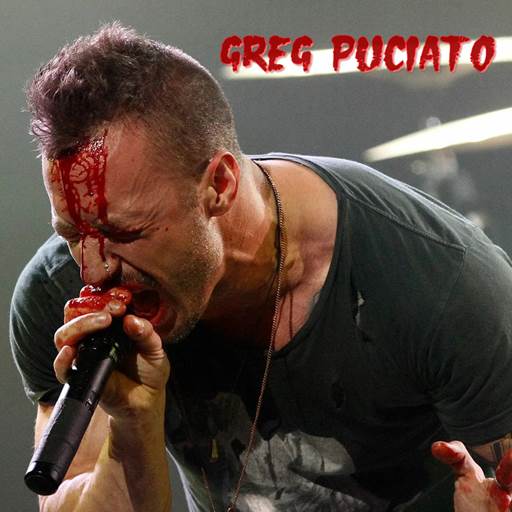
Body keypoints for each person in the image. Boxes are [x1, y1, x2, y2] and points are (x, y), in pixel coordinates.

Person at [10, 22, 512, 512]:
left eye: (125, 233)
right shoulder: (59, 292)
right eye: (71, 234)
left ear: (219, 186)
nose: (93, 271)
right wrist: (131, 427)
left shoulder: (445, 284)